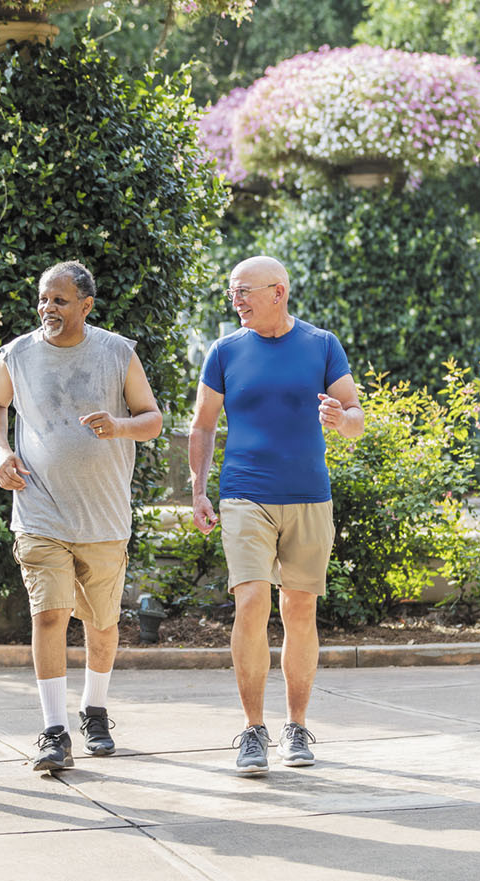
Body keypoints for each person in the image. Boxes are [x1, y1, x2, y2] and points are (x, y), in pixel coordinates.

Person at [0, 260, 162, 773]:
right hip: (40, 513)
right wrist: (0, 451)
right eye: (43, 299)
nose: (48, 309)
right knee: (49, 615)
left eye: (60, 300)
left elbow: (152, 420)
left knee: (102, 624)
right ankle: (53, 730)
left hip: (103, 518)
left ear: (86, 304)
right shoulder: (17, 354)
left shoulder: (116, 352)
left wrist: (120, 426)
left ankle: (95, 709)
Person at [188, 255, 364, 775]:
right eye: (232, 292)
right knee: (250, 602)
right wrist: (198, 488)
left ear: (278, 292)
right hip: (245, 493)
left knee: (300, 610)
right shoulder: (224, 352)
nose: (235, 300)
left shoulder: (322, 345)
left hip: (309, 495)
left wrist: (340, 418)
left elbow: (355, 419)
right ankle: (251, 730)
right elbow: (202, 426)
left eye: (244, 291)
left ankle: (297, 726)